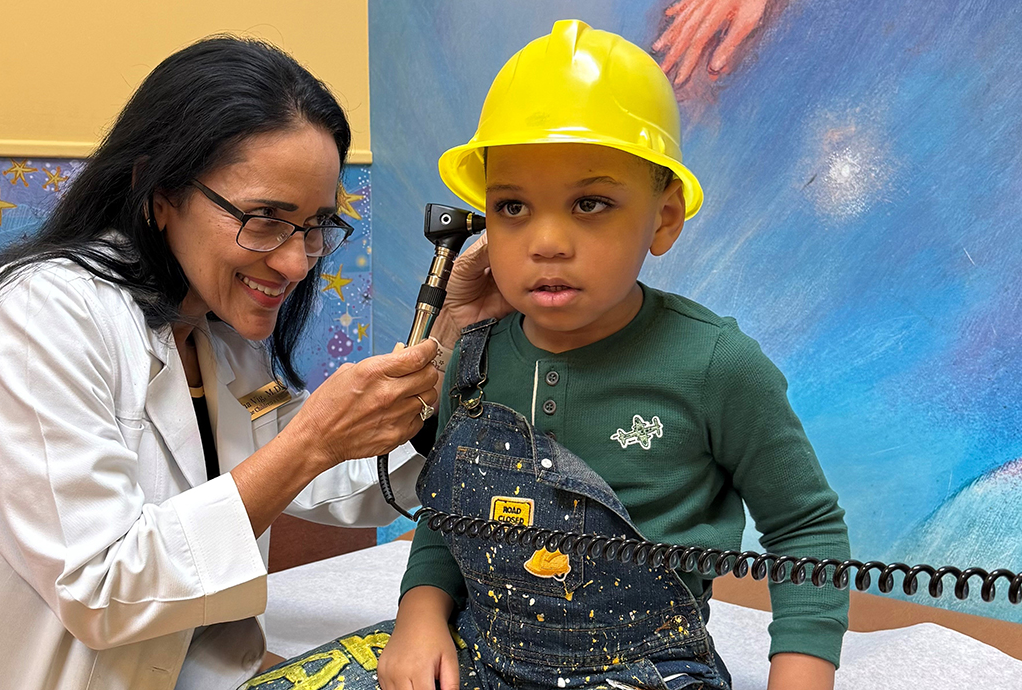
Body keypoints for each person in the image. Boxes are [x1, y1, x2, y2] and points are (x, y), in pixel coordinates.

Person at [0, 35, 499, 690]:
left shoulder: (221, 339)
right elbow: (103, 587)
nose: (293, 260)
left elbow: (343, 485)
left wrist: (452, 350)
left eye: (316, 226)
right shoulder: (38, 316)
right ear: (161, 194)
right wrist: (311, 439)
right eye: (265, 220)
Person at [243, 20, 849, 690]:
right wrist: (420, 614)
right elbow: (449, 516)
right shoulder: (470, 362)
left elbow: (806, 528)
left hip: (644, 669)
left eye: (590, 202)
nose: (547, 242)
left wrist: (801, 677)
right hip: (482, 647)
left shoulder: (718, 365)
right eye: (512, 207)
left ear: (666, 216)